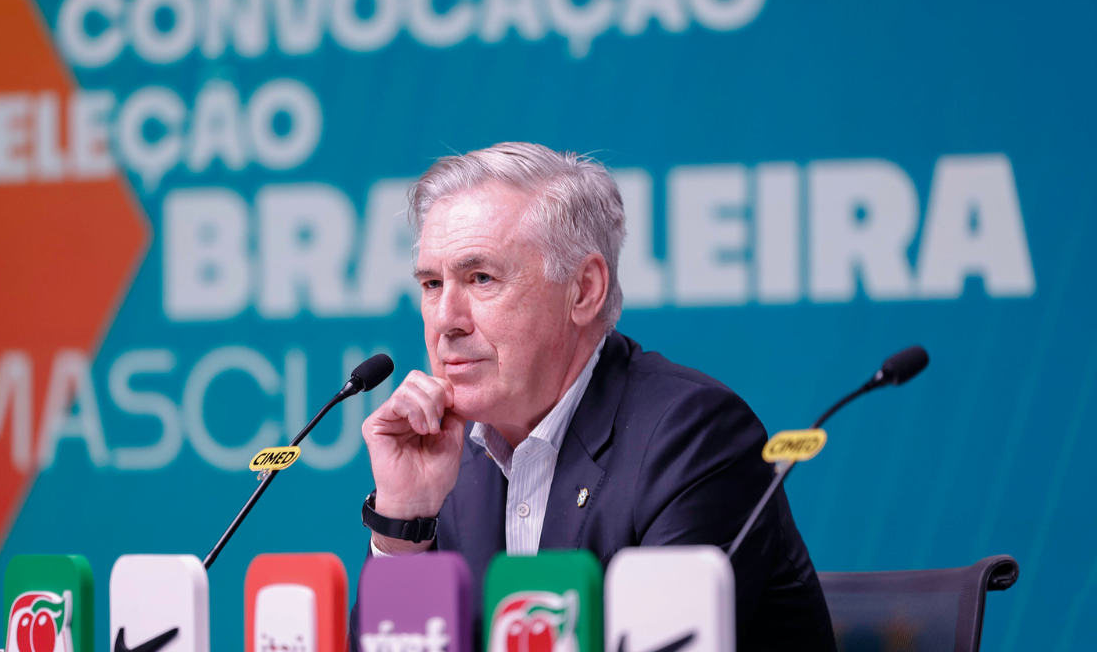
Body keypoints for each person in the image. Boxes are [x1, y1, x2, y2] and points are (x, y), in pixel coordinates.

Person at [357, 142, 835, 651]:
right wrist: (403, 524)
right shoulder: (452, 464)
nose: (446, 319)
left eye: (481, 278)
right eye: (432, 283)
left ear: (583, 290)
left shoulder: (693, 436)